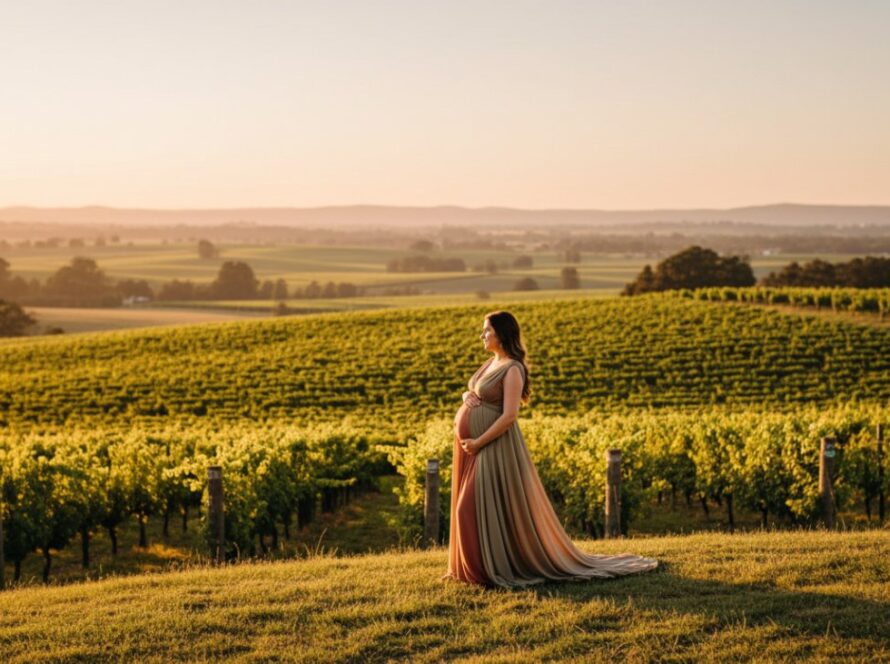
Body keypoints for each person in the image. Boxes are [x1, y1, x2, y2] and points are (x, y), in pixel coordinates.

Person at [443, 310, 658, 588]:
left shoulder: (513, 368)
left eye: (487, 331)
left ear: (502, 334)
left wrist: (478, 441)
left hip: (492, 447)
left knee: (467, 509)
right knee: (473, 508)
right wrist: (466, 394)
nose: (482, 335)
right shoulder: (492, 362)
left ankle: (487, 572)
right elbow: (475, 389)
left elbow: (509, 416)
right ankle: (472, 572)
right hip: (474, 447)